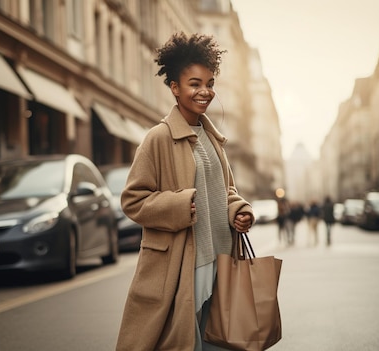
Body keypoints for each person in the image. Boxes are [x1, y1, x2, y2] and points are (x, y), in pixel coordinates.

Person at [115, 32, 254, 351]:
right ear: (175, 88)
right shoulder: (158, 138)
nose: (205, 91)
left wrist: (239, 210)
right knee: (183, 342)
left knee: (217, 342)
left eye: (209, 83)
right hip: (182, 263)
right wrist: (179, 206)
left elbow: (225, 190)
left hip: (221, 255)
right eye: (194, 83)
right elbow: (133, 200)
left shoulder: (212, 138)